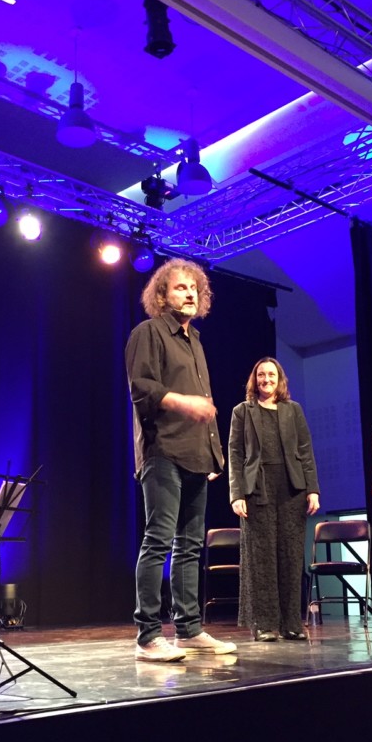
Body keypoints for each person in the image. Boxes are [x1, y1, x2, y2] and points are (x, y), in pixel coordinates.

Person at [126, 258, 237, 663]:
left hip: (195, 455)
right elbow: (142, 387)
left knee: (190, 546)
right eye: (179, 288)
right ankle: (148, 636)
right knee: (158, 541)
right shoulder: (149, 332)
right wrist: (183, 403)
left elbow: (206, 406)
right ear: (161, 295)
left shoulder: (196, 342)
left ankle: (189, 630)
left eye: (194, 288)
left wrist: (212, 454)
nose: (189, 293)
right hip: (164, 451)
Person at [229, 357, 320, 641]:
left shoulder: (293, 410)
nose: (266, 379)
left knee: (291, 557)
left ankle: (292, 622)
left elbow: (305, 451)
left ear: (280, 379)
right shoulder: (242, 411)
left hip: (292, 489)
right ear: (254, 380)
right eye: (261, 375)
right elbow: (235, 454)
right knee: (262, 558)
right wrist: (237, 494)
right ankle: (266, 625)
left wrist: (313, 489)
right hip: (258, 487)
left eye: (271, 374)